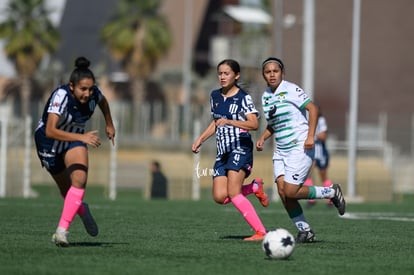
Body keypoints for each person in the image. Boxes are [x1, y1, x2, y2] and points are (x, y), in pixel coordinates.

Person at [256, 57, 345, 243]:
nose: (272, 74)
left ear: (282, 73)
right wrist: (263, 138)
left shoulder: (290, 89)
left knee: (290, 191)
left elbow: (312, 109)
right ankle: (305, 231)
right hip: (281, 150)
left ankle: (331, 193)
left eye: (275, 71)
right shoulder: (266, 96)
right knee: (282, 192)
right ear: (264, 75)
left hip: (299, 147)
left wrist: (311, 136)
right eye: (268, 72)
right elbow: (274, 123)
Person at [34, 56, 116, 247]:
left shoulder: (95, 93)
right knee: (66, 190)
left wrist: (109, 124)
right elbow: (50, 130)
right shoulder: (61, 96)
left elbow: (103, 103)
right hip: (49, 142)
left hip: (75, 140)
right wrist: (82, 137)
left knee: (79, 180)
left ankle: (61, 232)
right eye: (83, 89)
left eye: (90, 89)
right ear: (72, 86)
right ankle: (81, 209)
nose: (87, 93)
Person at [192, 59, 269, 241]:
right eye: (220, 73)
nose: (222, 77)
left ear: (236, 75)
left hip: (240, 148)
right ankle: (254, 187)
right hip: (223, 151)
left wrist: (231, 121)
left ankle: (261, 232)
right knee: (220, 197)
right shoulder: (215, 96)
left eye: (226, 73)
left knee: (233, 193)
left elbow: (254, 123)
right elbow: (216, 122)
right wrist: (200, 139)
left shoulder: (243, 98)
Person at [304, 106, 333, 206]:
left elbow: (323, 136)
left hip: (320, 153)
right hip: (311, 151)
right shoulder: (307, 120)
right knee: (307, 175)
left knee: (323, 177)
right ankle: (311, 199)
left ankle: (331, 198)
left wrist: (312, 135)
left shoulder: (321, 120)